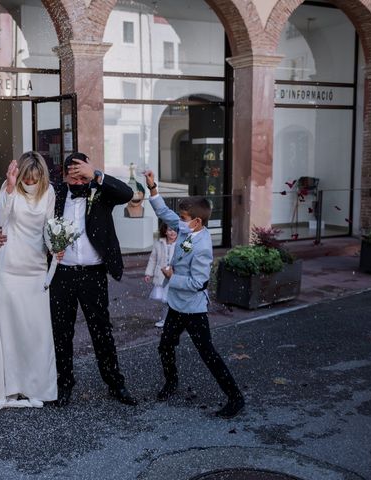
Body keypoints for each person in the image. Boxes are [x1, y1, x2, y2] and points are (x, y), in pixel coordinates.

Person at [144, 170, 245, 418]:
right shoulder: (188, 230)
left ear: (197, 222)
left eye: (183, 217)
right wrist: (153, 189)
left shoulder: (202, 246)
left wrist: (171, 277)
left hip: (193, 308)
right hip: (176, 306)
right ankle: (171, 382)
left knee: (207, 353)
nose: (179, 220)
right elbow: (164, 213)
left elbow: (199, 282)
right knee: (165, 345)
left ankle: (235, 398)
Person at [0, 152, 59, 411]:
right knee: (10, 328)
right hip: (10, 268)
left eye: (34, 177)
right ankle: (10, 385)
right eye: (26, 178)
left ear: (41, 175)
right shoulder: (10, 188)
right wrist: (9, 187)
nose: (30, 182)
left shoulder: (49, 191)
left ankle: (37, 386)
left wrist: (57, 247)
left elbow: (49, 227)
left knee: (37, 330)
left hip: (36, 267)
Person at [50, 152, 138, 407]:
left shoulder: (99, 190)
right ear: (64, 175)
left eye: (81, 175)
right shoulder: (55, 194)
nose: (78, 181)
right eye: (72, 176)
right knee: (61, 333)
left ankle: (115, 383)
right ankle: (64, 383)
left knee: (101, 332)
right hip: (61, 275)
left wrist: (97, 175)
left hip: (93, 274)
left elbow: (127, 194)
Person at [145, 221, 177, 328]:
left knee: (175, 300)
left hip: (175, 276)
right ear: (165, 231)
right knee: (166, 301)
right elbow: (153, 259)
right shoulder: (159, 243)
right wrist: (149, 273)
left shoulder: (181, 244)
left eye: (175, 230)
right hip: (162, 276)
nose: (173, 232)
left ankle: (178, 320)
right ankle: (165, 320)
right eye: (170, 230)